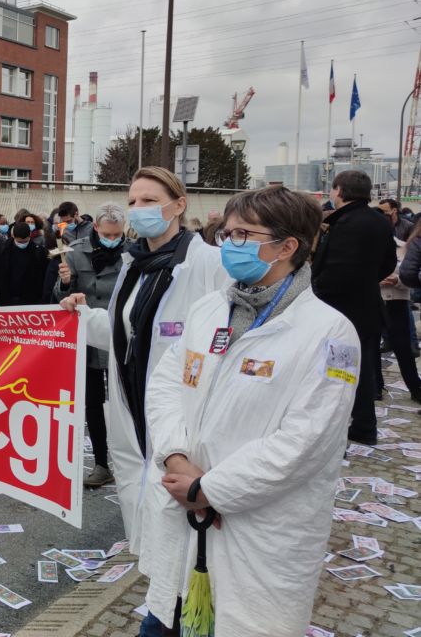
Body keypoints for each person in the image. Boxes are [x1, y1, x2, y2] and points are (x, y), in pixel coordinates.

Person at [140, 186, 360, 636]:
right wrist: (178, 460)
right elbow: (164, 385)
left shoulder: (332, 334)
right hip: (184, 514)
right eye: (227, 232)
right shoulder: (209, 310)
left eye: (243, 234)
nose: (229, 243)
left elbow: (307, 442)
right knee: (165, 620)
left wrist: (211, 488)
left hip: (258, 534)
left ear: (287, 246)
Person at [60, 166, 227, 563]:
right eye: (133, 201)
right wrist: (80, 317)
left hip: (182, 417)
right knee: (144, 513)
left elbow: (224, 343)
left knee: (182, 537)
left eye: (150, 201)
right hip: (132, 407)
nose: (138, 209)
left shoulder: (207, 264)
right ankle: (153, 579)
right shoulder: (133, 267)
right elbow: (125, 335)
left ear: (178, 206)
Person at [311, 170, 396, 444]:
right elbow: (389, 263)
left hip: (341, 312)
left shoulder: (346, 224)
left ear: (339, 191)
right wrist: (369, 279)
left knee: (335, 375)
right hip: (369, 305)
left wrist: (315, 294)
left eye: (333, 190)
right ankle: (364, 426)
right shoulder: (379, 222)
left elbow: (335, 271)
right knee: (365, 369)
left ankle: (336, 433)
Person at [52, 202, 127, 488]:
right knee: (92, 402)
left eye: (117, 234)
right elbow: (58, 295)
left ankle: (131, 456)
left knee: (125, 401)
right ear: (95, 227)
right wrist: (65, 284)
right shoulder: (75, 251)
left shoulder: (132, 252)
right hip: (87, 339)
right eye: (107, 233)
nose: (112, 238)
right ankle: (101, 462)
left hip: (119, 334)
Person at [380, 231, 421, 402]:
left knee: (403, 348)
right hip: (372, 301)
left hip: (396, 301)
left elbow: (410, 277)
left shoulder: (403, 247)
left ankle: (415, 387)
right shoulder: (363, 247)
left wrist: (397, 281)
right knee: (370, 347)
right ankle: (375, 386)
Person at [0, 219, 48, 306]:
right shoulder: (2, 249)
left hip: (32, 299)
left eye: (25, 241)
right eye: (19, 242)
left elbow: (43, 275)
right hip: (6, 298)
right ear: (13, 236)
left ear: (30, 235)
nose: (22, 244)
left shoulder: (39, 251)